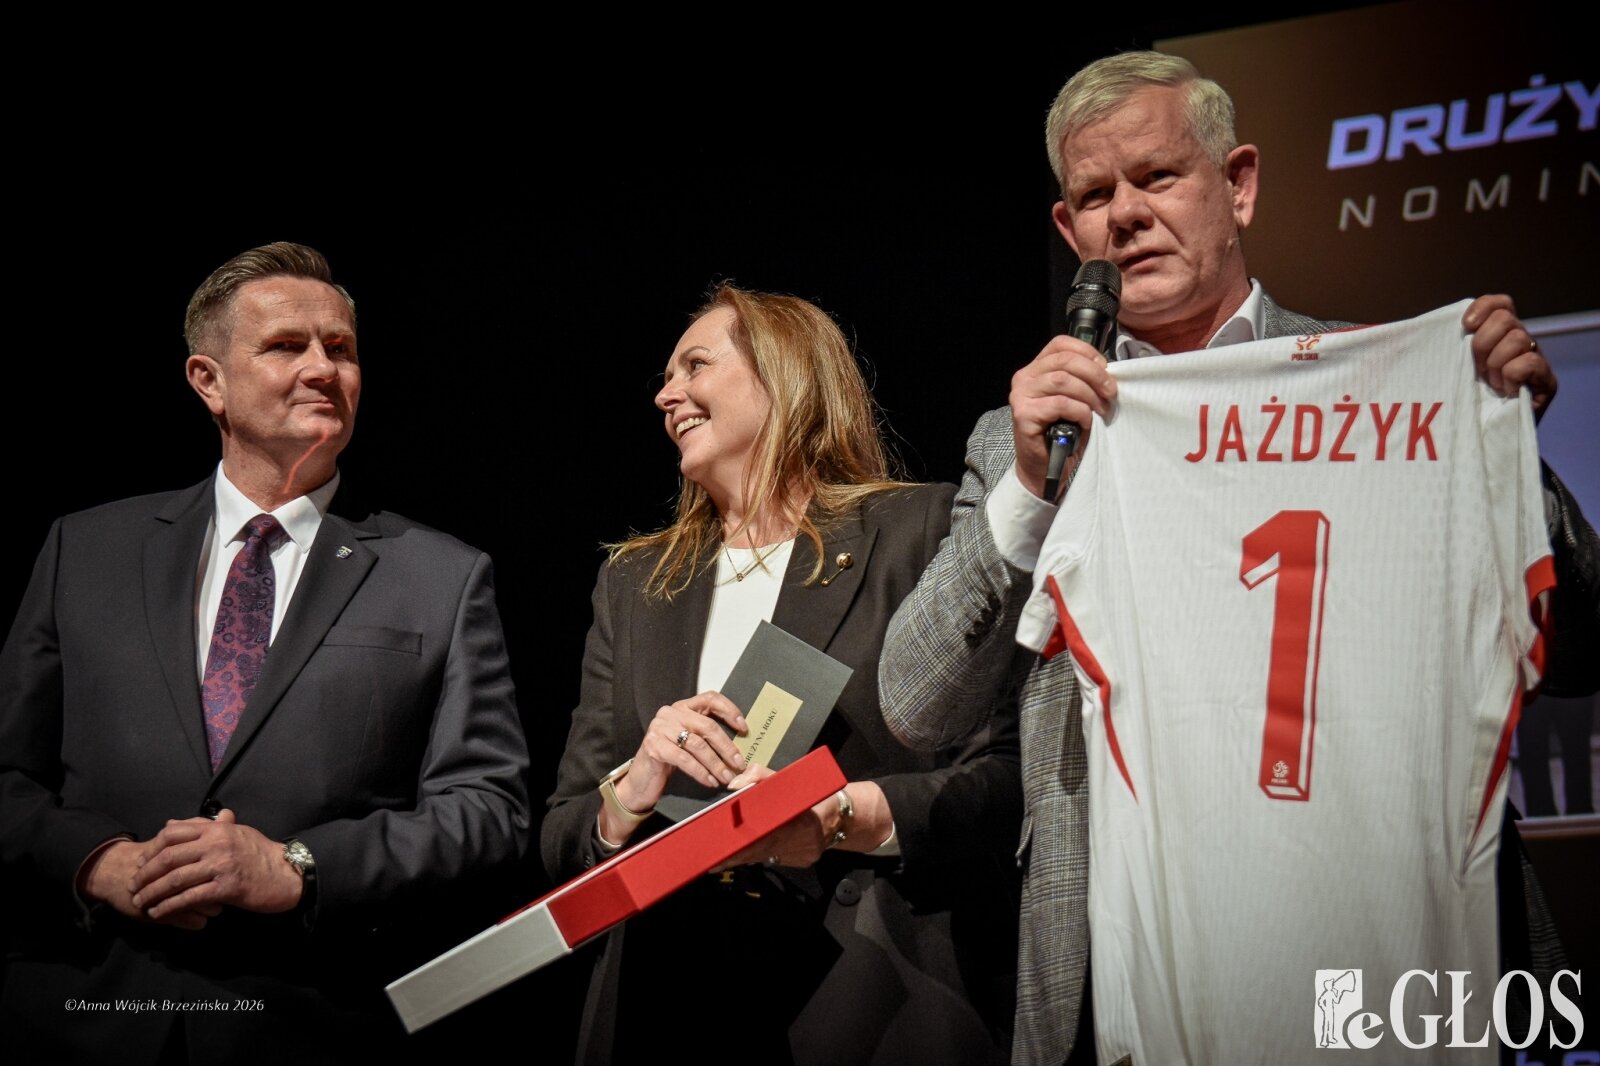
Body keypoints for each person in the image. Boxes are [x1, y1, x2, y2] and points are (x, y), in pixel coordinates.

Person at [878, 51, 1597, 1065]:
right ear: (1068, 232)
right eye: (1096, 195)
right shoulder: (1025, 438)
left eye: (1157, 175)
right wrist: (1031, 492)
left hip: (1385, 942)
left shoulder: (1386, 385)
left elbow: (1582, 654)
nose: (1128, 215)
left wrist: (1507, 460)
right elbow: (915, 705)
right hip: (1134, 971)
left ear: (1240, 184)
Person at [0, 242, 531, 1063]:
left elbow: (487, 811)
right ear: (207, 381)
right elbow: (8, 776)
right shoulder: (87, 550)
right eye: (287, 345)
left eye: (341, 348)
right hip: (87, 1014)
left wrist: (299, 867)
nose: (323, 368)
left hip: (310, 1026)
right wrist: (97, 863)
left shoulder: (442, 576)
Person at [541, 283, 1022, 1065]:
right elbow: (565, 831)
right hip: (667, 1000)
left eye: (695, 365)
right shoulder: (635, 583)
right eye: (665, 377)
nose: (666, 395)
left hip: (869, 994)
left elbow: (1005, 778)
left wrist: (840, 816)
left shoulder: (918, 531)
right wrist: (633, 788)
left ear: (784, 373)